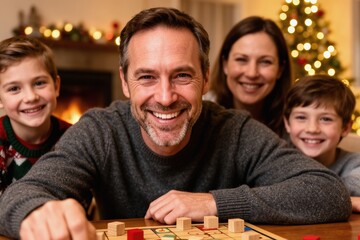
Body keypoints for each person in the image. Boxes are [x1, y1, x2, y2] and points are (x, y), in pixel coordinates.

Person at [0, 7, 351, 240]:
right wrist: (37, 211)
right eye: (147, 77)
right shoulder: (100, 129)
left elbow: (328, 192)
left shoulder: (237, 130)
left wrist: (212, 203)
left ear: (205, 76)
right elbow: (22, 194)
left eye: (182, 75)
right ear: (124, 82)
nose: (166, 97)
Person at [0, 36, 72, 194]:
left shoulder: (74, 138)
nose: (31, 97)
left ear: (56, 86)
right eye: (14, 88)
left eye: (39, 83)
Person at [283, 74, 360, 212]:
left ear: (346, 127)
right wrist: (347, 201)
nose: (312, 129)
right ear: (287, 123)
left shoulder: (356, 164)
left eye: (326, 119)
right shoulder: (275, 161)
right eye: (301, 117)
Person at [205, 16, 293, 136]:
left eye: (265, 62)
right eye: (241, 59)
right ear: (225, 64)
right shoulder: (200, 117)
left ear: (280, 70)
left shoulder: (296, 124)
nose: (252, 73)